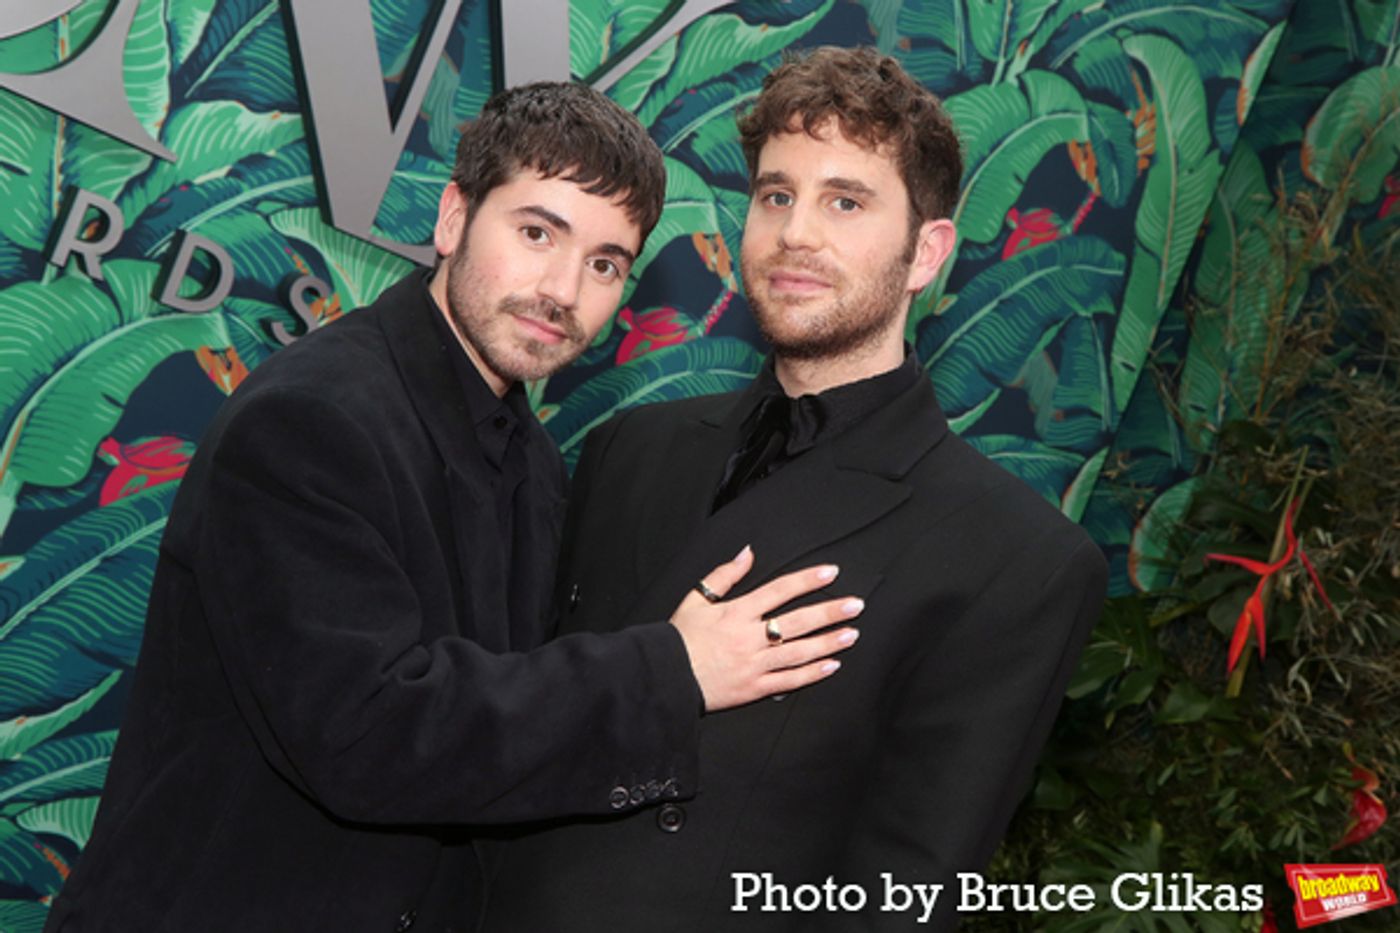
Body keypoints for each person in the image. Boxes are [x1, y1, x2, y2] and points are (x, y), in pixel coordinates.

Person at [42, 83, 863, 933]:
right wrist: (673, 669)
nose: (562, 288)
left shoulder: (534, 461)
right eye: (537, 231)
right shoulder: (312, 420)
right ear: (452, 219)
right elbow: (369, 732)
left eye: (605, 263)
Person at [480, 48, 1109, 932]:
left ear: (926, 252)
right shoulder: (632, 444)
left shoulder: (1018, 561)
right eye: (776, 195)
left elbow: (895, 902)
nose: (795, 234)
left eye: (845, 202)